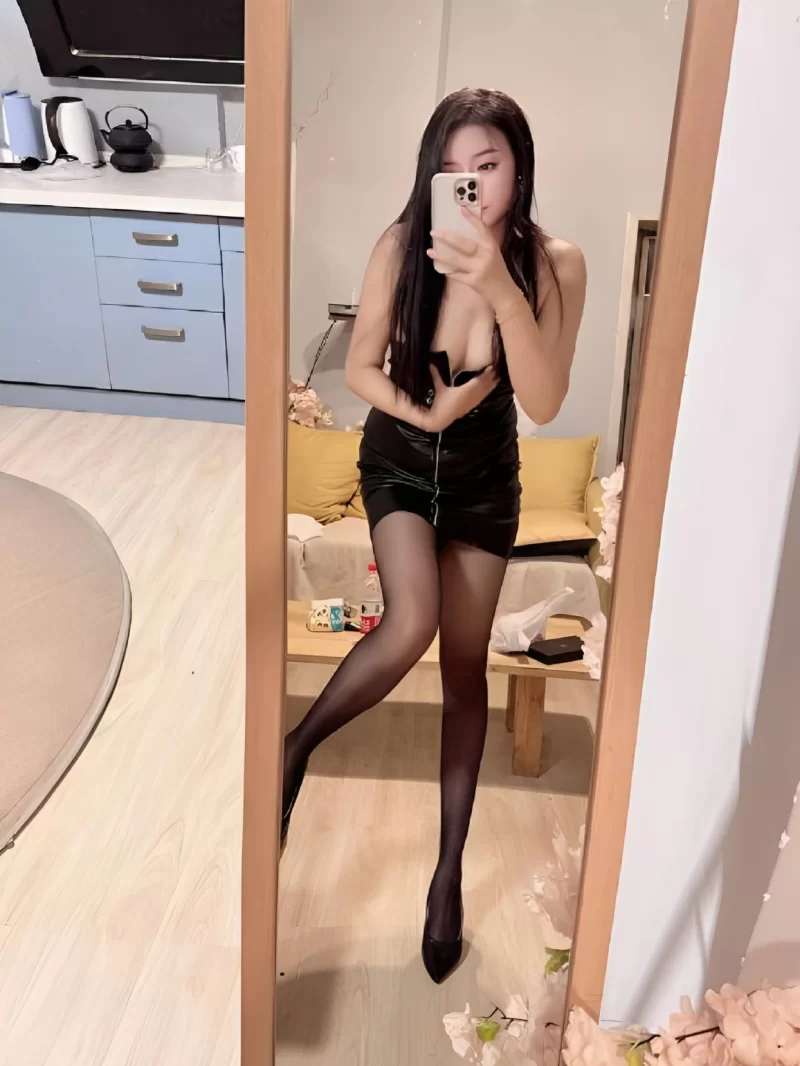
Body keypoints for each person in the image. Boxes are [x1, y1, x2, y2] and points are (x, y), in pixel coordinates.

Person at [281, 87, 587, 983]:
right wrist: (428, 411)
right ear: (430, 174)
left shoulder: (555, 265)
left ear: (519, 169)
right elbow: (360, 368)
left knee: (464, 674)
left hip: (488, 485)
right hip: (401, 461)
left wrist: (498, 285)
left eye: (488, 165)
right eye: (453, 169)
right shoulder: (399, 244)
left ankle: (447, 877)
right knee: (410, 620)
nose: (472, 185)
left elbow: (544, 400)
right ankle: (292, 752)